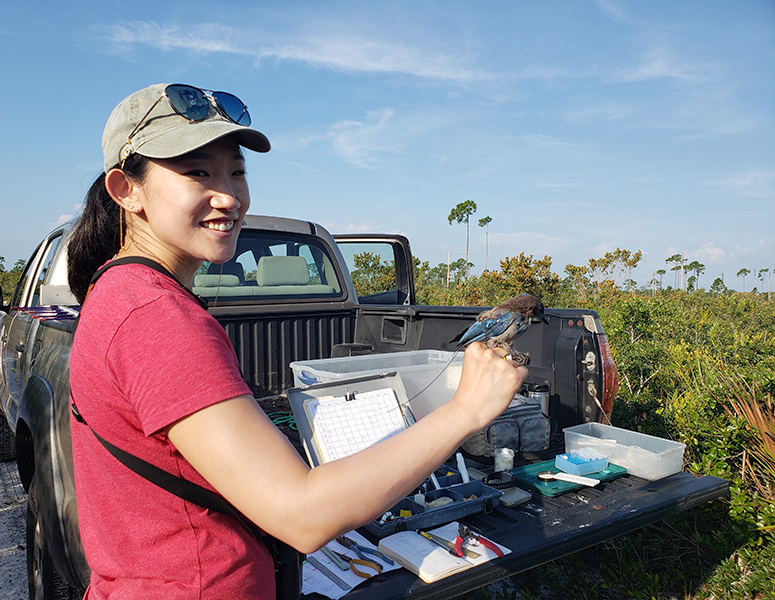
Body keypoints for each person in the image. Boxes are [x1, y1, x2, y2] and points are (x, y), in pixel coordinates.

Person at [67, 82, 527, 599]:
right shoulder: (157, 318)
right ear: (126, 190)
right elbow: (303, 515)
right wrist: (466, 410)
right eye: (197, 172)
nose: (228, 195)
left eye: (236, 172)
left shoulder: (116, 289)